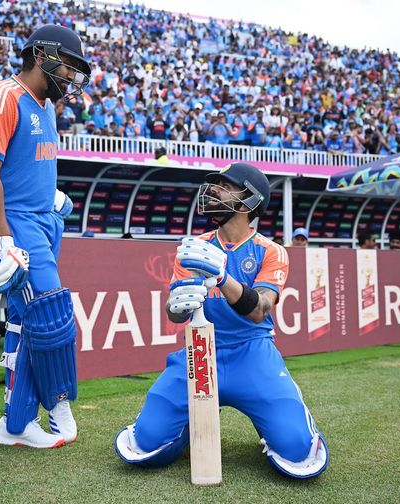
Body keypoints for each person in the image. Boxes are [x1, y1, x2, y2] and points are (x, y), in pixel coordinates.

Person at [115, 162, 329, 479]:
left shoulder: (271, 251)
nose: (213, 190)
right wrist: (176, 304)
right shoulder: (195, 247)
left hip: (252, 354)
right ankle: (185, 429)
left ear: (249, 202)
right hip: (199, 352)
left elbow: (260, 310)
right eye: (214, 184)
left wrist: (221, 277)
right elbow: (176, 314)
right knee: (143, 446)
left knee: (299, 452)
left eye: (224, 185)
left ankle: (275, 424)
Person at [0, 25, 91, 449]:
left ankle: (16, 424)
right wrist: (4, 240)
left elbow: (25, 163)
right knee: (52, 317)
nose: (73, 75)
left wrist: (51, 196)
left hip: (42, 218)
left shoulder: (46, 106)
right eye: (69, 64)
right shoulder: (1, 96)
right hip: (14, 222)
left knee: (25, 321)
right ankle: (57, 405)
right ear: (41, 55)